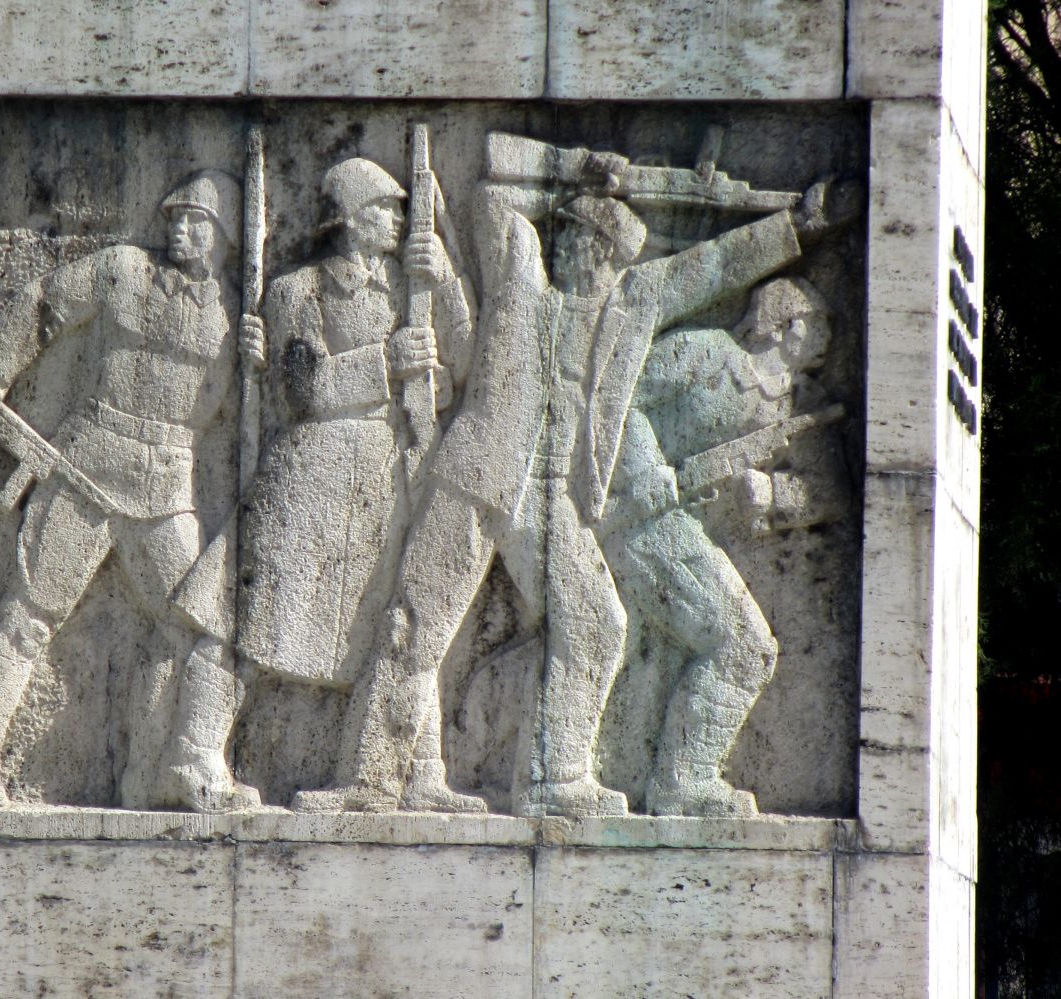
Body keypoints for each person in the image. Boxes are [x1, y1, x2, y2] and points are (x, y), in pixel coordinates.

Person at [310, 151, 826, 816]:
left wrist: (797, 226)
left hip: (550, 499)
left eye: (599, 247)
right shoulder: (522, 280)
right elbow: (492, 197)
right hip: (479, 476)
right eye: (578, 238)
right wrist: (573, 169)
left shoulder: (632, 305)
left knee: (598, 622)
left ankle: (554, 778)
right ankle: (372, 777)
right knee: (418, 625)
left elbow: (717, 266)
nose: (586, 254)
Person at [0, 170, 261, 813]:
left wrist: (260, 364)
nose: (179, 227)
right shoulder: (121, 268)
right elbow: (40, 307)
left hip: (168, 485)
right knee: (29, 615)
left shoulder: (236, 315)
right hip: (88, 466)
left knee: (211, 628)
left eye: (198, 219)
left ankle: (174, 763)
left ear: (226, 235)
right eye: (174, 215)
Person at [236, 157, 483, 812]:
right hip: (314, 477)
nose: (400, 221)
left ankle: (422, 769)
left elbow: (468, 356)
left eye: (402, 209)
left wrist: (446, 279)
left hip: (387, 475)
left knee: (408, 624)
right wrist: (386, 362)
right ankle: (199, 748)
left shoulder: (410, 287)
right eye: (385, 207)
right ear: (347, 216)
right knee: (261, 618)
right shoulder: (300, 290)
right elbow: (304, 388)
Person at [601, 277, 838, 815]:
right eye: (819, 323)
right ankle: (683, 783)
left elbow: (829, 491)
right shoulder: (705, 352)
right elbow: (620, 396)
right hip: (641, 518)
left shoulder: (803, 404)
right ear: (784, 325)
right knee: (744, 644)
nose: (827, 336)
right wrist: (646, 469)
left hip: (689, 531)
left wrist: (772, 491)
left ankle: (675, 778)